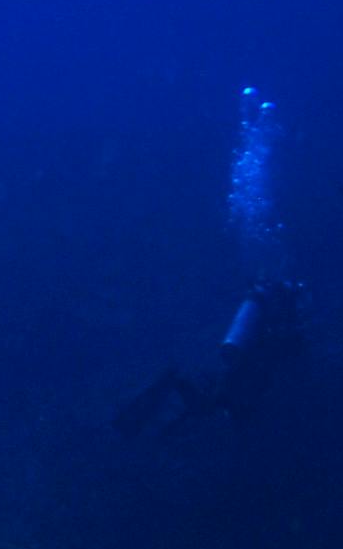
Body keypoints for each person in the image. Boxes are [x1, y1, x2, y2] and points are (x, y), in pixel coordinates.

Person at [116, 87, 301, 433]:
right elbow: (278, 352)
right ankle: (166, 393)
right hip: (239, 371)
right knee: (211, 405)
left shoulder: (266, 304)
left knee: (206, 404)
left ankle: (166, 393)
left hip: (237, 366)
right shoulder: (274, 305)